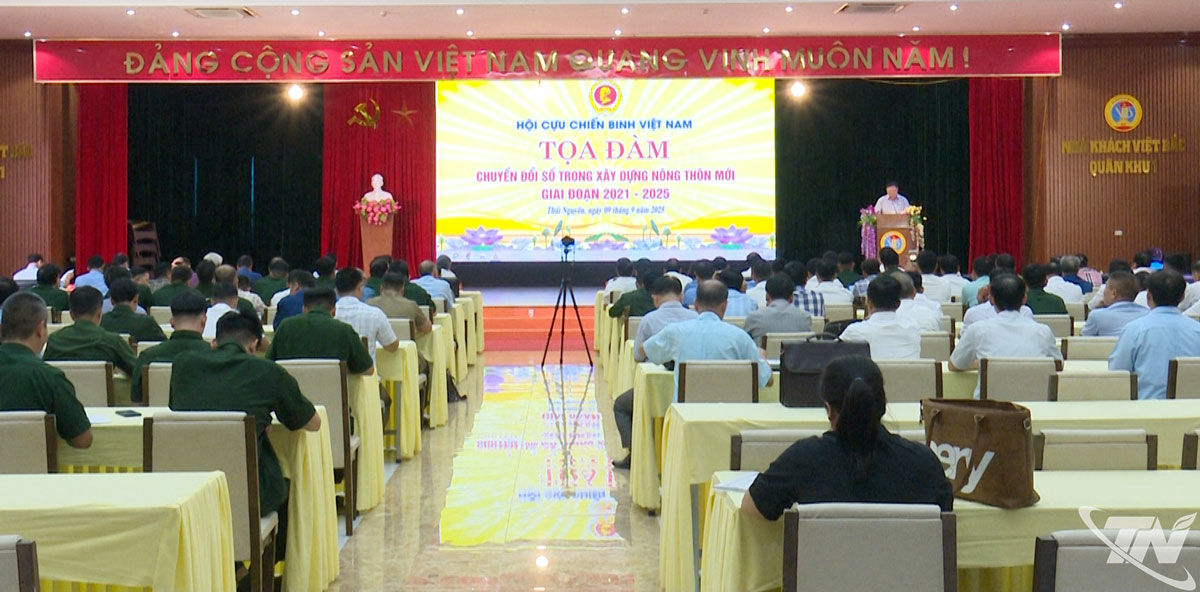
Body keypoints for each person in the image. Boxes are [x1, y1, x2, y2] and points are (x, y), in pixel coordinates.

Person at [171, 309, 320, 556]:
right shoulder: (268, 372)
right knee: (285, 489)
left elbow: (180, 411)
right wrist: (260, 421)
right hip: (249, 492)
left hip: (188, 488)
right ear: (253, 345)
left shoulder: (183, 365)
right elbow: (312, 423)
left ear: (214, 342)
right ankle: (262, 569)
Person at [742, 355, 953, 520]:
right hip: (906, 566)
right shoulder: (923, 463)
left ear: (829, 410)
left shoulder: (802, 459)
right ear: (882, 405)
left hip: (822, 566)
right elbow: (944, 515)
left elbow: (752, 507)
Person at [610, 277, 698, 467]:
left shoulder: (649, 320)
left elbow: (637, 356)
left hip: (656, 388)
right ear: (681, 295)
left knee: (621, 405)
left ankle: (635, 455)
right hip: (693, 389)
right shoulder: (695, 318)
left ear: (655, 298)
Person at [642, 280, 772, 399]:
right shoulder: (740, 337)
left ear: (696, 305)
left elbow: (644, 351)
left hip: (685, 414)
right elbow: (767, 380)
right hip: (729, 414)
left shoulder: (675, 331)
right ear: (724, 306)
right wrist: (761, 357)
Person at [0, 292, 93, 449]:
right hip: (32, 463)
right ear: (40, 329)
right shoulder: (50, 377)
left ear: (1, 330)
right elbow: (82, 440)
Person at [950, 273, 1061, 398]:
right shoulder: (1043, 331)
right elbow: (1058, 364)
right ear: (1024, 299)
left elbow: (955, 364)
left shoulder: (977, 329)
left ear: (991, 299)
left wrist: (981, 364)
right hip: (1034, 404)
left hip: (991, 406)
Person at [1110, 270, 1200, 400]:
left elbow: (1117, 373)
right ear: (1183, 297)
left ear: (1148, 296)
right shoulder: (1197, 330)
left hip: (1145, 409)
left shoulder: (1134, 330)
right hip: (1192, 408)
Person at [267, 286, 375, 375]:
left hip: (290, 393)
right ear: (334, 310)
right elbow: (368, 369)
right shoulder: (344, 330)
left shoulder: (285, 326)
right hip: (333, 394)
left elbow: (269, 363)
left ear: (304, 309)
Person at [128, 292, 211, 402]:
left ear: (172, 322)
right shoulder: (215, 355)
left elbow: (136, 403)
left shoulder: (148, 357)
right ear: (204, 321)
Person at [42, 286, 137, 376]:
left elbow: (45, 372)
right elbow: (138, 371)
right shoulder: (113, 341)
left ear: (71, 315)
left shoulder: (55, 340)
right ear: (99, 314)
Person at [840, 275, 921, 359]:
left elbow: (833, 355)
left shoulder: (854, 331)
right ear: (898, 304)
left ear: (868, 302)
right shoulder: (913, 327)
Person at [333, 267, 399, 359]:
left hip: (336, 368)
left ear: (336, 290)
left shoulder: (328, 315)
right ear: (359, 287)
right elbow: (392, 346)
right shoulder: (375, 314)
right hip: (366, 368)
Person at [744, 273, 812, 343]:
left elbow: (743, 344)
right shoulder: (805, 318)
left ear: (767, 296)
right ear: (792, 297)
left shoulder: (754, 318)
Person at [1083, 271, 1149, 337]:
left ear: (1113, 293)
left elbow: (1083, 340)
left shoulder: (1097, 315)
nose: (1103, 293)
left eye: (1105, 289)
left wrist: (1097, 309)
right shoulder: (1148, 314)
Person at [100, 279, 167, 342]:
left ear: (111, 301)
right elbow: (163, 343)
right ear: (136, 299)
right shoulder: (147, 322)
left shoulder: (101, 321)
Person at [368, 272, 433, 334]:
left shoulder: (369, 304)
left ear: (381, 288)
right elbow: (427, 328)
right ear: (402, 290)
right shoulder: (411, 305)